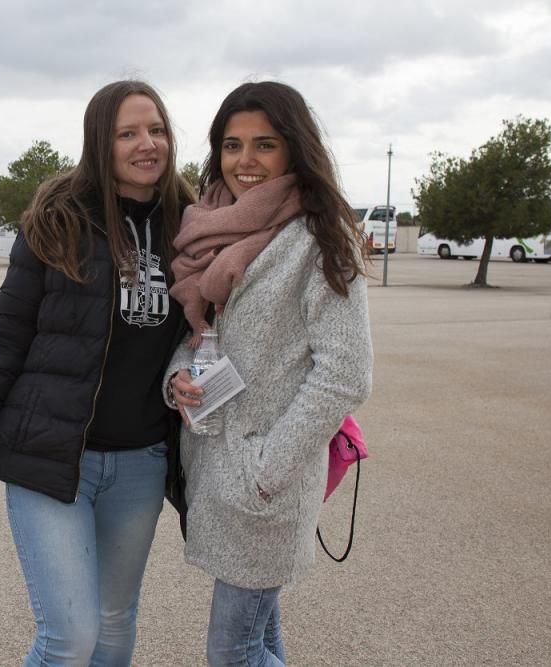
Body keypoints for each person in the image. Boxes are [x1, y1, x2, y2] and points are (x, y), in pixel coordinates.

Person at [0, 80, 195, 667]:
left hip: (142, 460)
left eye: (158, 129)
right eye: (128, 133)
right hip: (52, 453)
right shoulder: (58, 219)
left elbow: (202, 334)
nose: (148, 144)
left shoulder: (190, 223)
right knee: (69, 637)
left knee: (115, 626)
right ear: (100, 142)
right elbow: (8, 334)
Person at [164, 81, 373, 666]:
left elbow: (346, 373)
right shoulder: (208, 228)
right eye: (232, 146)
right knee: (260, 640)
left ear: (294, 149)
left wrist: (267, 470)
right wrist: (178, 377)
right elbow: (200, 336)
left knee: (232, 653)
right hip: (213, 465)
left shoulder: (319, 237)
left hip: (263, 485)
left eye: (264, 144)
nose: (245, 161)